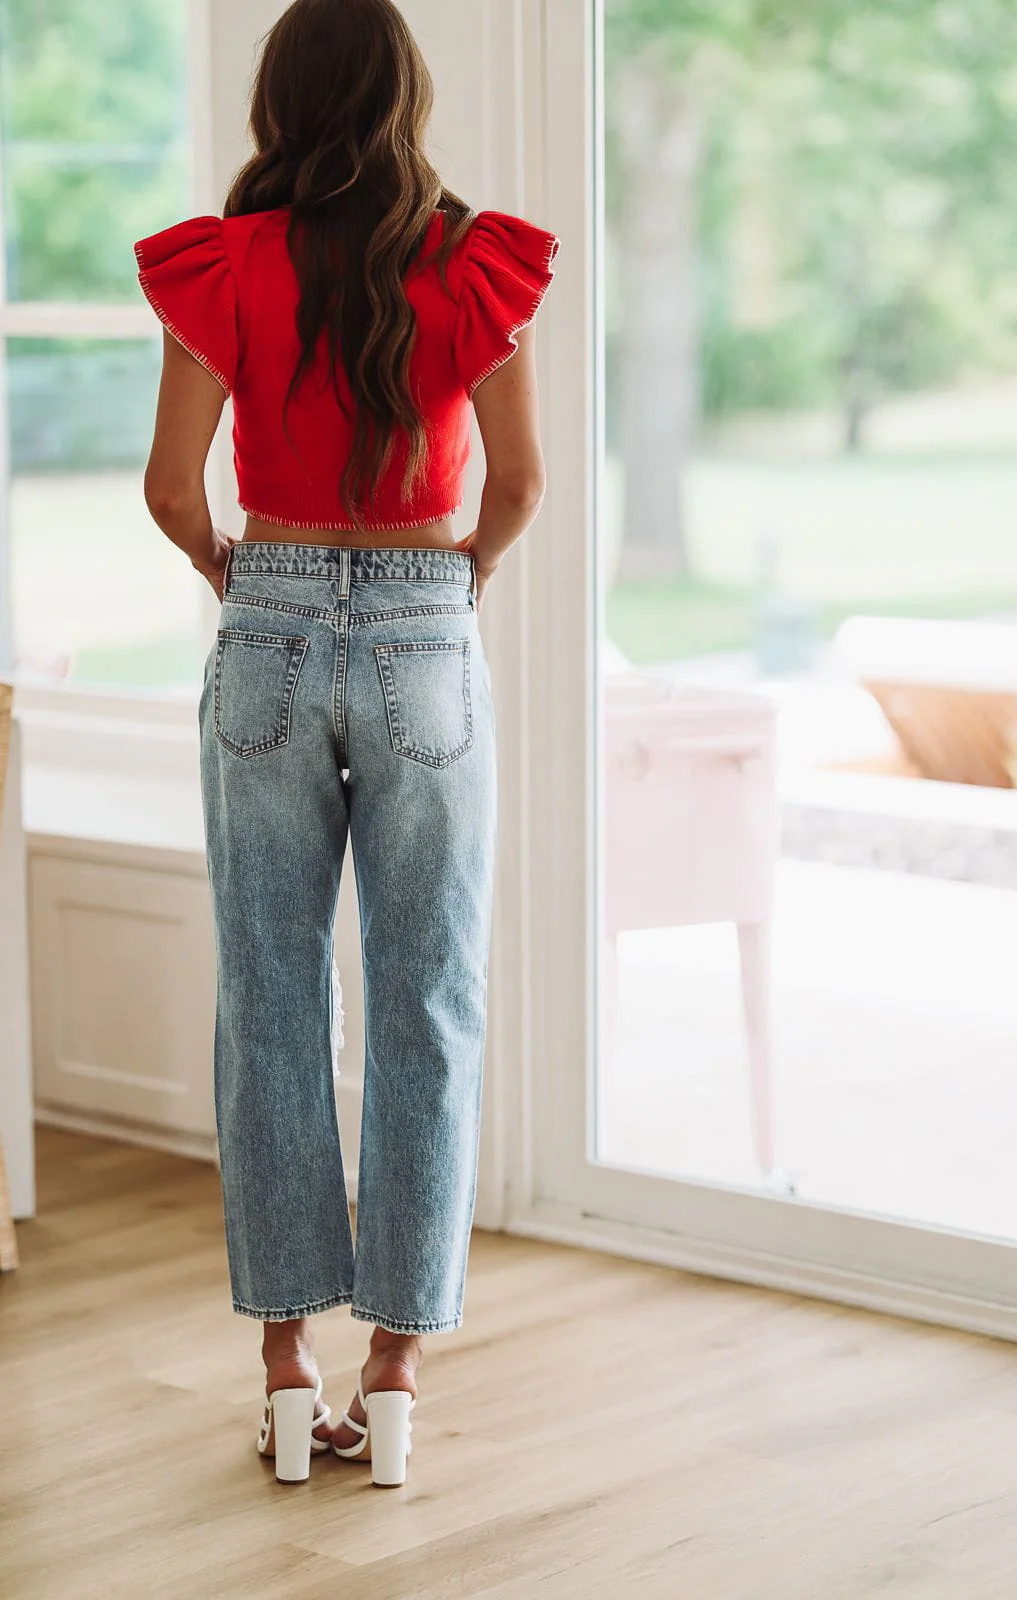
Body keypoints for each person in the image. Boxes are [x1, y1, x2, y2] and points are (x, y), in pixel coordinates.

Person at [133, 0, 559, 1488]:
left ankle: (280, 1365)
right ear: (405, 99)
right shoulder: (469, 263)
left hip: (267, 625)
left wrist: (239, 581)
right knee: (426, 998)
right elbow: (517, 486)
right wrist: (454, 588)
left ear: (279, 104)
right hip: (427, 635)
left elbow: (174, 493)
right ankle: (393, 1373)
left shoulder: (223, 267)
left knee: (269, 998)